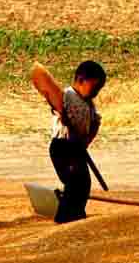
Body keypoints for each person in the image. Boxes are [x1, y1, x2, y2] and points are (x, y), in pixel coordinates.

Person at [30, 60, 106, 223]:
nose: (96, 92)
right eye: (94, 87)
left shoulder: (89, 104)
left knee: (84, 182)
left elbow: (95, 123)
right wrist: (61, 112)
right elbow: (47, 89)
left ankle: (77, 212)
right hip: (62, 147)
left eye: (98, 89)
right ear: (80, 80)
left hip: (77, 148)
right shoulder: (67, 96)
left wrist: (86, 140)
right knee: (75, 180)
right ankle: (65, 216)